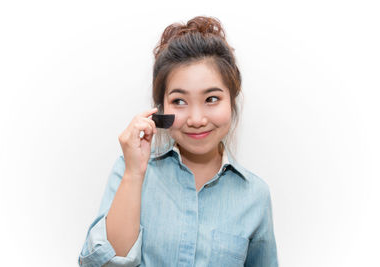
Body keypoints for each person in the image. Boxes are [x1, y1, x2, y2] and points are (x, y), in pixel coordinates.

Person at [78, 16, 278, 267]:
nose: (196, 119)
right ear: (160, 109)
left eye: (212, 99)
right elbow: (103, 265)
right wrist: (133, 174)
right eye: (180, 101)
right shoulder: (129, 172)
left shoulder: (255, 195)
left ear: (232, 101)